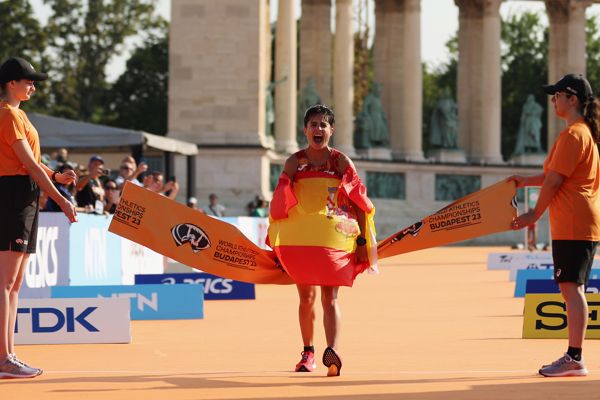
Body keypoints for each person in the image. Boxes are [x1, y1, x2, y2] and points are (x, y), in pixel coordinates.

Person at [269, 104, 377, 377]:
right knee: (306, 298)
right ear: (305, 130)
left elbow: (359, 202)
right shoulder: (294, 162)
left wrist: (363, 241)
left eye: (323, 125)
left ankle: (333, 352)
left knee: (330, 297)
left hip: (333, 237)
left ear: (332, 130)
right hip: (303, 238)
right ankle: (308, 352)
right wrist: (277, 242)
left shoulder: (341, 162)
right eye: (313, 124)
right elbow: (280, 203)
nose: (318, 129)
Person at [509, 74, 600, 377]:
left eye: (557, 95)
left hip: (574, 223)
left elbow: (554, 180)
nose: (553, 100)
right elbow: (553, 174)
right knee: (573, 288)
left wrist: (533, 214)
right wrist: (523, 182)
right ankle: (574, 355)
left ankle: (575, 357)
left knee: (570, 289)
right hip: (578, 222)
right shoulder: (581, 134)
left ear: (572, 99)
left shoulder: (574, 135)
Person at [0, 57, 77, 378]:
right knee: (4, 283)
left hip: (24, 195)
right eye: (28, 80)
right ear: (10, 83)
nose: (32, 85)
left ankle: (9, 355)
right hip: (13, 195)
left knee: (15, 284)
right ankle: (3, 359)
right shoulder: (7, 115)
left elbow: (33, 162)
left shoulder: (18, 115)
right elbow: (28, 165)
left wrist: (56, 177)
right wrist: (60, 199)